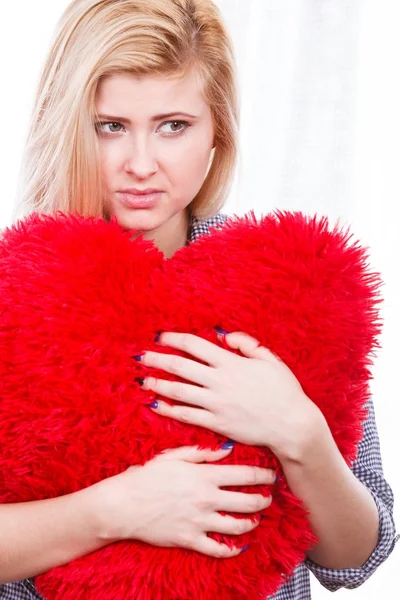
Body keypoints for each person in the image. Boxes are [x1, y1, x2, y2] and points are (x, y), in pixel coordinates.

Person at [2, 1, 397, 599]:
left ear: (218, 132)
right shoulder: (15, 289)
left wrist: (301, 433)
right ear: (66, 124)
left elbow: (353, 562)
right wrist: (113, 510)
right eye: (110, 126)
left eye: (173, 126)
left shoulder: (287, 285)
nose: (140, 165)